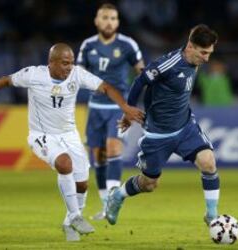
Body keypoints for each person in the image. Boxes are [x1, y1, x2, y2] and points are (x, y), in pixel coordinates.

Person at [0, 43, 144, 242]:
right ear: (51, 63)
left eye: (71, 63)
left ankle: (68, 223)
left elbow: (106, 87)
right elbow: (5, 81)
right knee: (64, 163)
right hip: (42, 135)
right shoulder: (34, 75)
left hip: (69, 135)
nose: (69, 67)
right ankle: (76, 216)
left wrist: (125, 107)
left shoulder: (77, 74)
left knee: (82, 184)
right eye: (65, 63)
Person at [105, 24, 221, 227]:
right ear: (190, 47)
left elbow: (195, 31)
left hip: (185, 127)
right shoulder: (167, 65)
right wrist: (128, 110)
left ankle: (212, 216)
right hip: (157, 134)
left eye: (210, 53)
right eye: (204, 52)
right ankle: (118, 195)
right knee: (149, 184)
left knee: (208, 162)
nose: (206, 58)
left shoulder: (195, 59)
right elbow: (140, 81)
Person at [76, 3, 145, 220]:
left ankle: (114, 200)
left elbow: (142, 74)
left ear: (118, 22)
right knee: (98, 155)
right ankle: (106, 204)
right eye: (105, 17)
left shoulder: (127, 44)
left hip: (118, 107)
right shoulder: (88, 46)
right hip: (95, 107)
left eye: (113, 18)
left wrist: (138, 101)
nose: (109, 21)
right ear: (97, 21)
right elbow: (78, 74)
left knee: (113, 148)